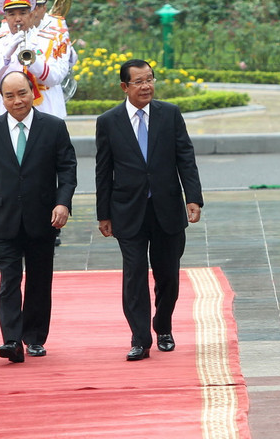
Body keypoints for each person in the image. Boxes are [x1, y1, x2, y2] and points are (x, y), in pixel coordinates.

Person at [95, 58, 203, 361]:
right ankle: (140, 339)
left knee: (168, 274)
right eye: (139, 82)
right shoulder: (108, 122)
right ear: (124, 87)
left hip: (167, 208)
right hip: (127, 211)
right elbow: (103, 171)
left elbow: (186, 157)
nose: (147, 86)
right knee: (134, 274)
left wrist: (192, 197)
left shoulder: (170, 114)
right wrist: (104, 213)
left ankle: (163, 325)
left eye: (150, 80)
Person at [0, 70, 77, 363]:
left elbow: (67, 170)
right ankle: (12, 340)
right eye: (9, 95)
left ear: (33, 92)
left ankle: (35, 338)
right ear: (1, 98)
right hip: (1, 219)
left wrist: (63, 203)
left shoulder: (53, 127)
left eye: (22, 93)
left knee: (39, 281)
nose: (17, 101)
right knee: (9, 279)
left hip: (43, 218)